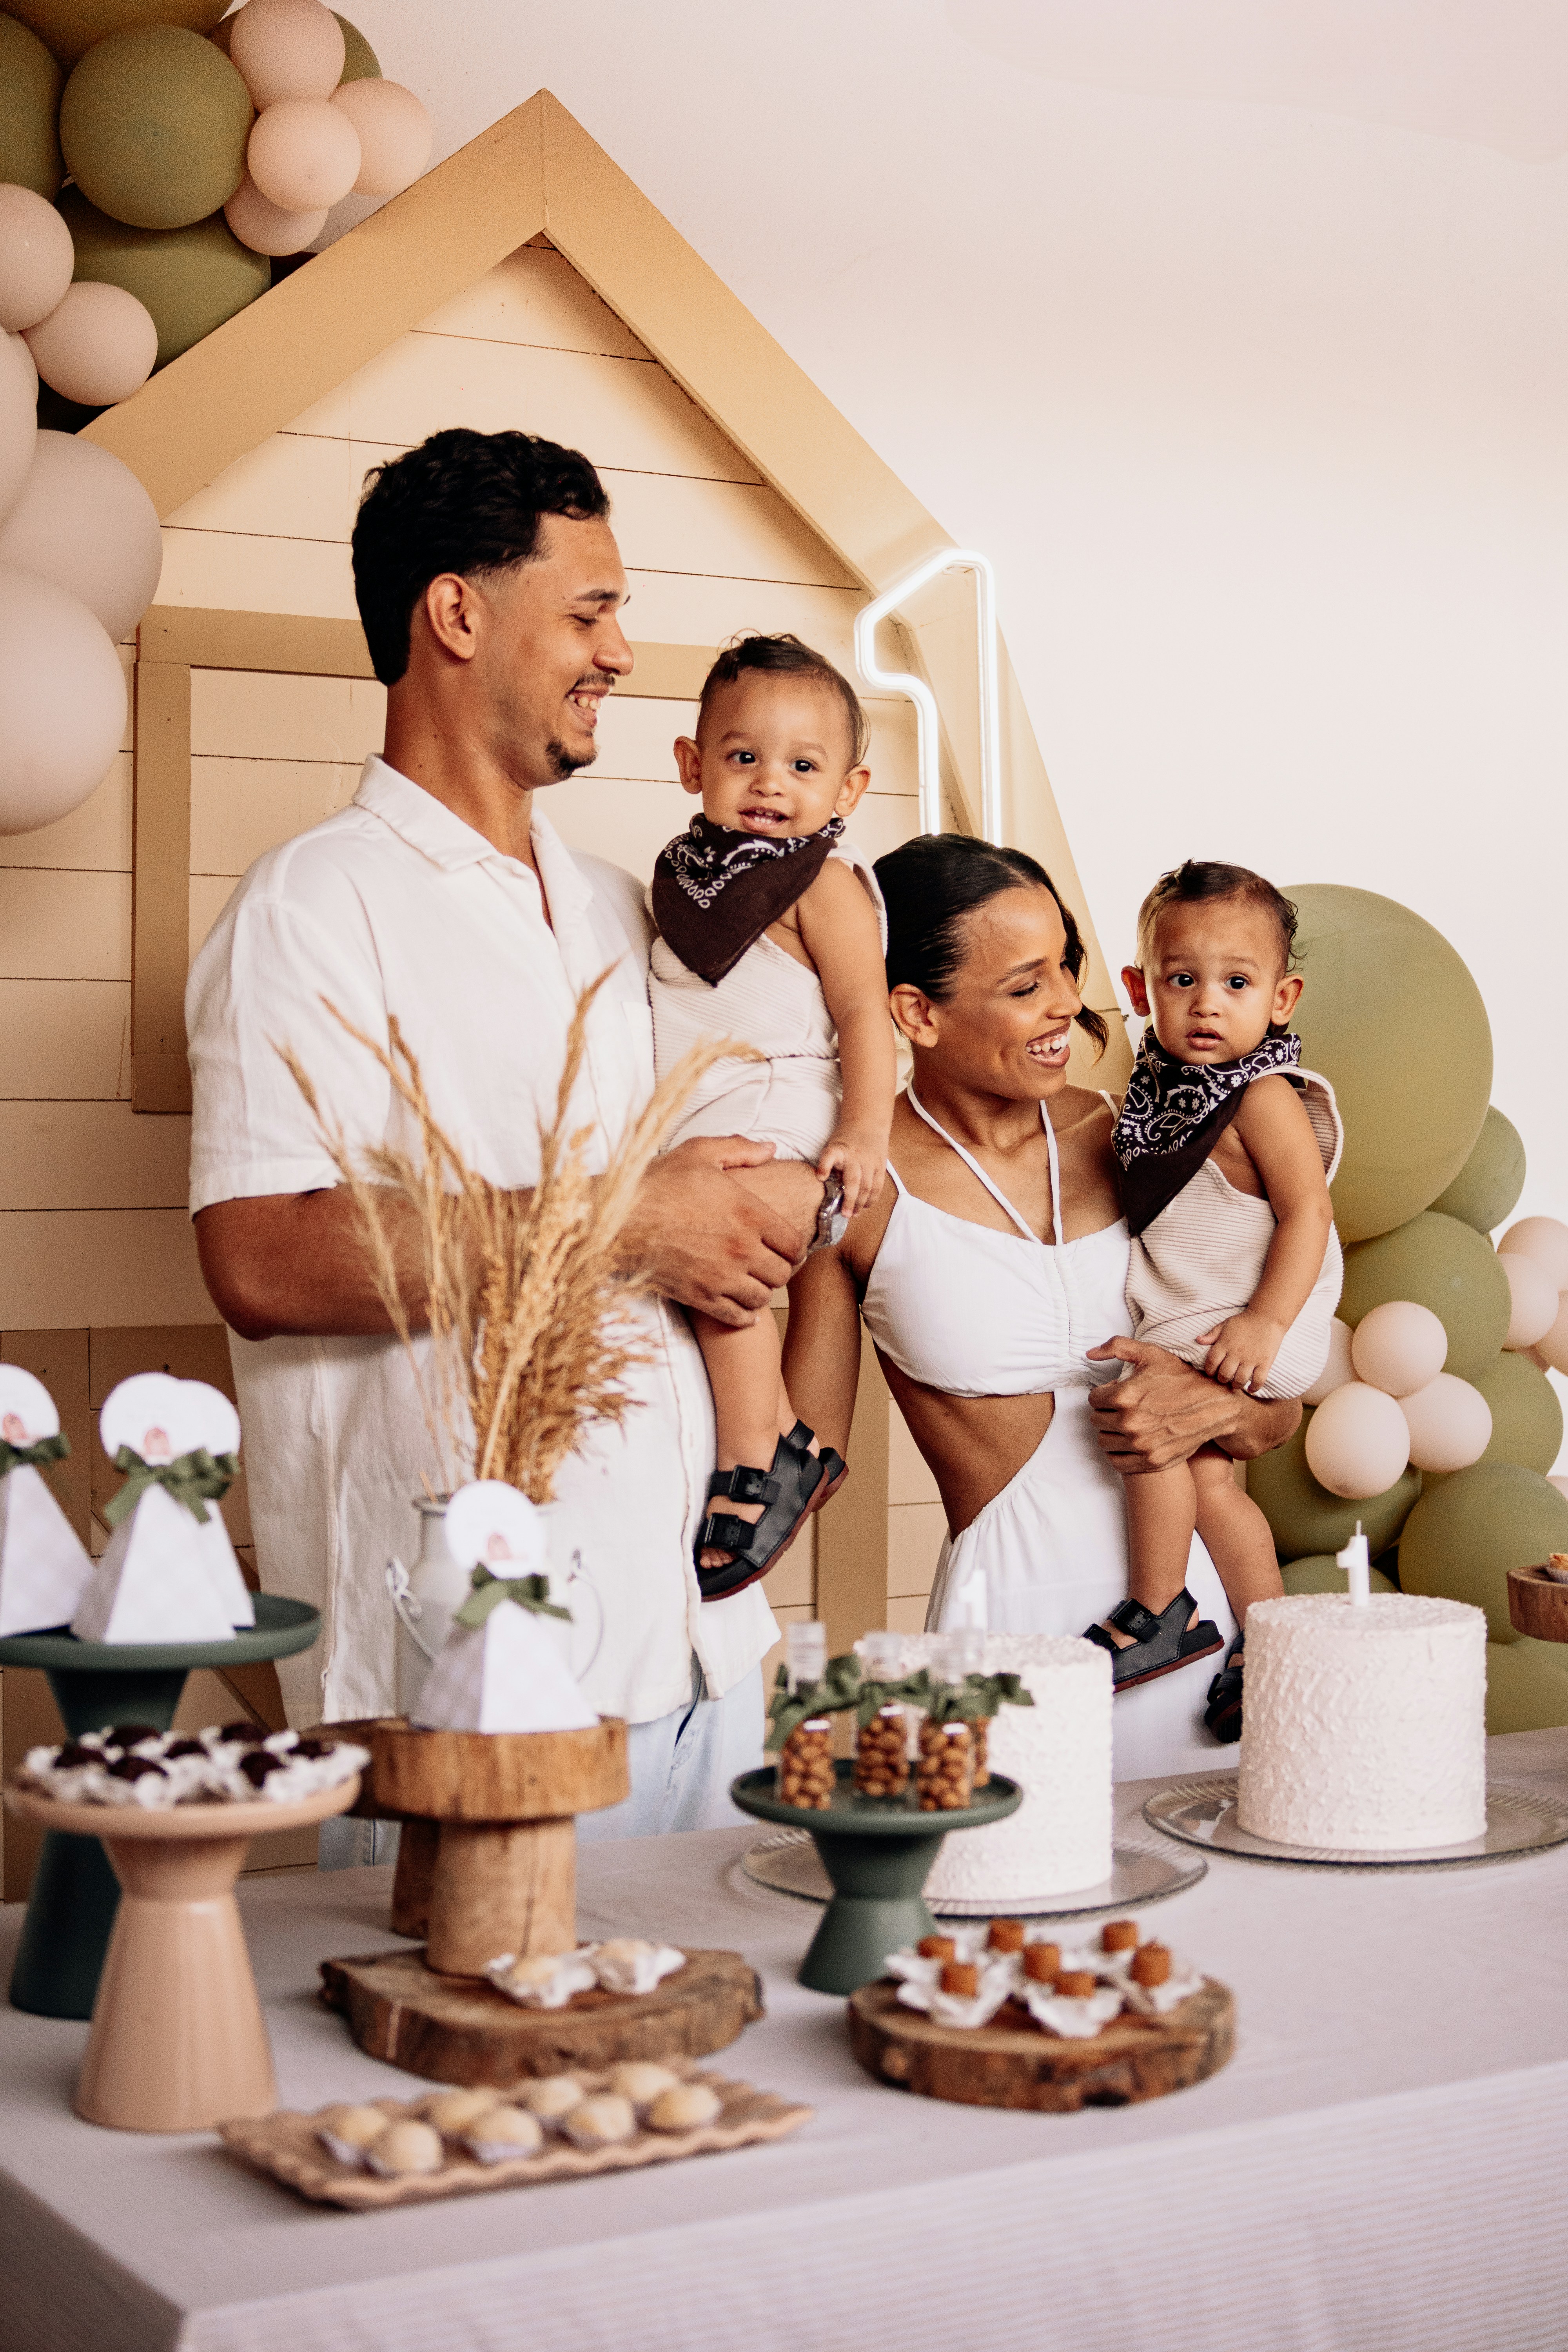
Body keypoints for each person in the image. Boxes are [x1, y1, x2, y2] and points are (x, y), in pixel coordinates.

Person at [186, 428, 824, 1858]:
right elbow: (261, 1258)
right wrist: (622, 1219)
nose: (622, 652)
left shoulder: (622, 906)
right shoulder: (309, 910)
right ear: (456, 612)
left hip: (708, 1656)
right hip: (467, 1692)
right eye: (590, 610)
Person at [782, 833, 1301, 1780]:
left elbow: (1277, 1404)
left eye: (1065, 964)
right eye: (1025, 986)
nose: (1068, 1000)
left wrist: (1223, 1408)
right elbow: (799, 1457)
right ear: (917, 1012)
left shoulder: (1139, 1136)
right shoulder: (857, 1188)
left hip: (1198, 1624)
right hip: (1009, 1630)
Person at [646, 634, 896, 1597]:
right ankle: (772, 1437)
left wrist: (864, 1129)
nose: (769, 784)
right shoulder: (682, 880)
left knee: (727, 1257)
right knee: (694, 1259)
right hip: (705, 1102)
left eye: (803, 765)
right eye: (742, 756)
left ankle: (764, 1446)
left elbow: (862, 1016)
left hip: (784, 1097)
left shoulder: (820, 883)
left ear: (848, 790)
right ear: (690, 764)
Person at [1093, 860, 1342, 1728]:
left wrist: (1265, 1320)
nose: (1206, 1004)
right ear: (1140, 987)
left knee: (1151, 1424)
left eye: (1235, 983)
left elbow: (1308, 1211)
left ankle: (1159, 1607)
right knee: (1211, 1489)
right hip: (1212, 1307)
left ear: (1281, 997)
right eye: (1181, 979)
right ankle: (1265, 1639)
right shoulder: (1159, 1092)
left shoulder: (1258, 1094)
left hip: (1248, 1315)